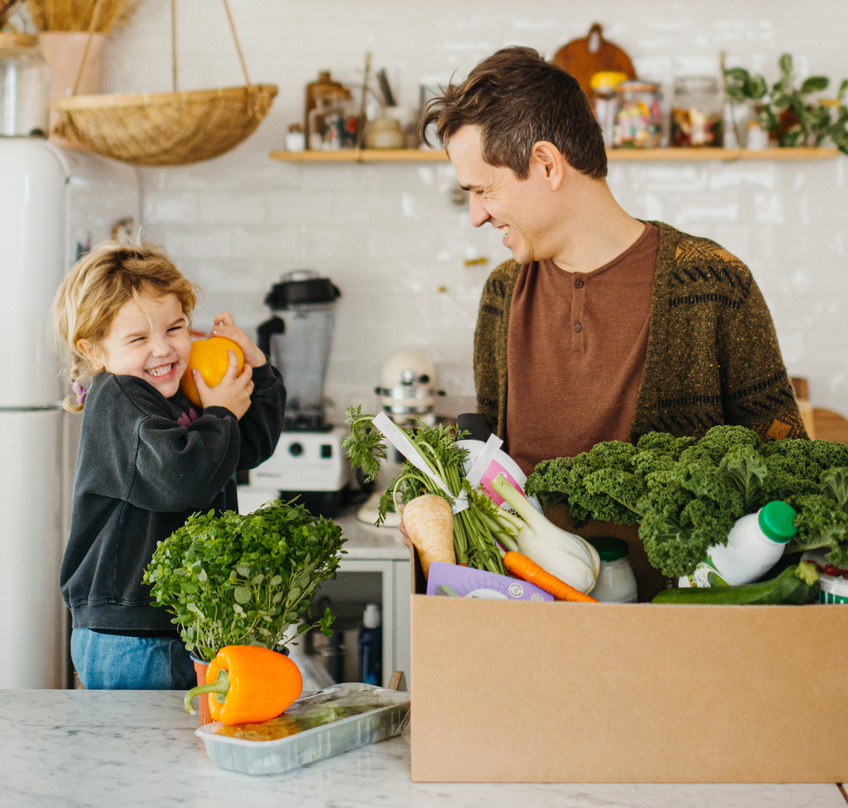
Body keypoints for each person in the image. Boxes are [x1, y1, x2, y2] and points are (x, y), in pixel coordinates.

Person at [422, 46, 807, 479]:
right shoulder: (502, 291)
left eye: (484, 190)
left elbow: (788, 472)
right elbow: (488, 475)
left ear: (547, 165)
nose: (476, 216)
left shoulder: (715, 283)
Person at [52, 240, 286, 690]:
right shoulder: (119, 397)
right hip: (130, 633)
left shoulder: (173, 393)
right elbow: (180, 478)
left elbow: (249, 446)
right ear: (95, 350)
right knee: (141, 757)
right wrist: (220, 414)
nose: (163, 350)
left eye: (174, 328)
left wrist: (257, 370)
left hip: (176, 625)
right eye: (138, 338)